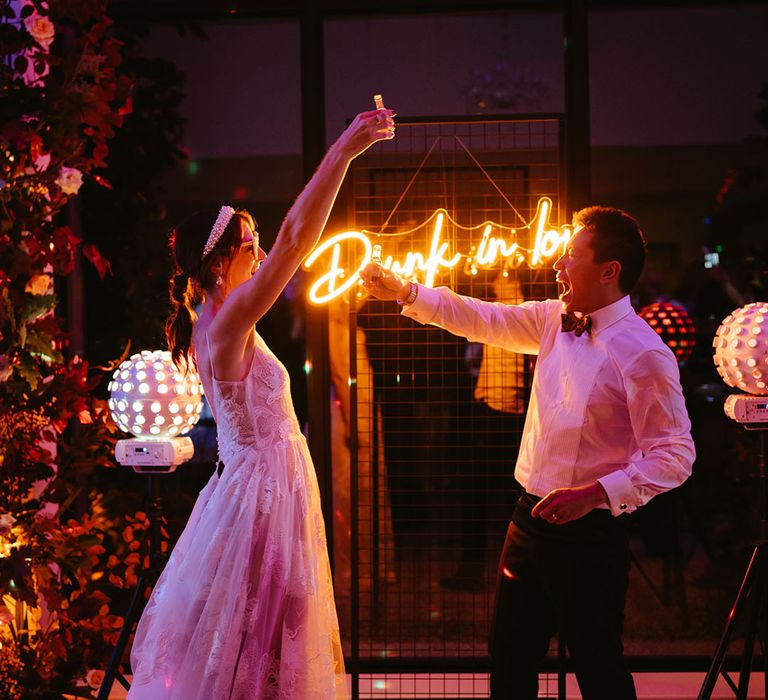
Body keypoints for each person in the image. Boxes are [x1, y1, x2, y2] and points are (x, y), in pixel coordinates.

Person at [360, 206, 695, 699]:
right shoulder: (550, 318)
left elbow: (675, 455)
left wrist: (596, 494)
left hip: (591, 534)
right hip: (527, 518)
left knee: (598, 668)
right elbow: (482, 318)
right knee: (509, 661)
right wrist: (408, 293)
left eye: (570, 255)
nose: (558, 264)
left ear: (609, 270)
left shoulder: (643, 352)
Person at [127, 105, 395, 700]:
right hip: (261, 496)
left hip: (267, 485)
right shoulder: (228, 322)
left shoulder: (224, 317)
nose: (260, 252)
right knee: (262, 637)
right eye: (251, 246)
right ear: (220, 263)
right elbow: (300, 238)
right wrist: (346, 151)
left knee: (268, 637)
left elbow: (290, 242)